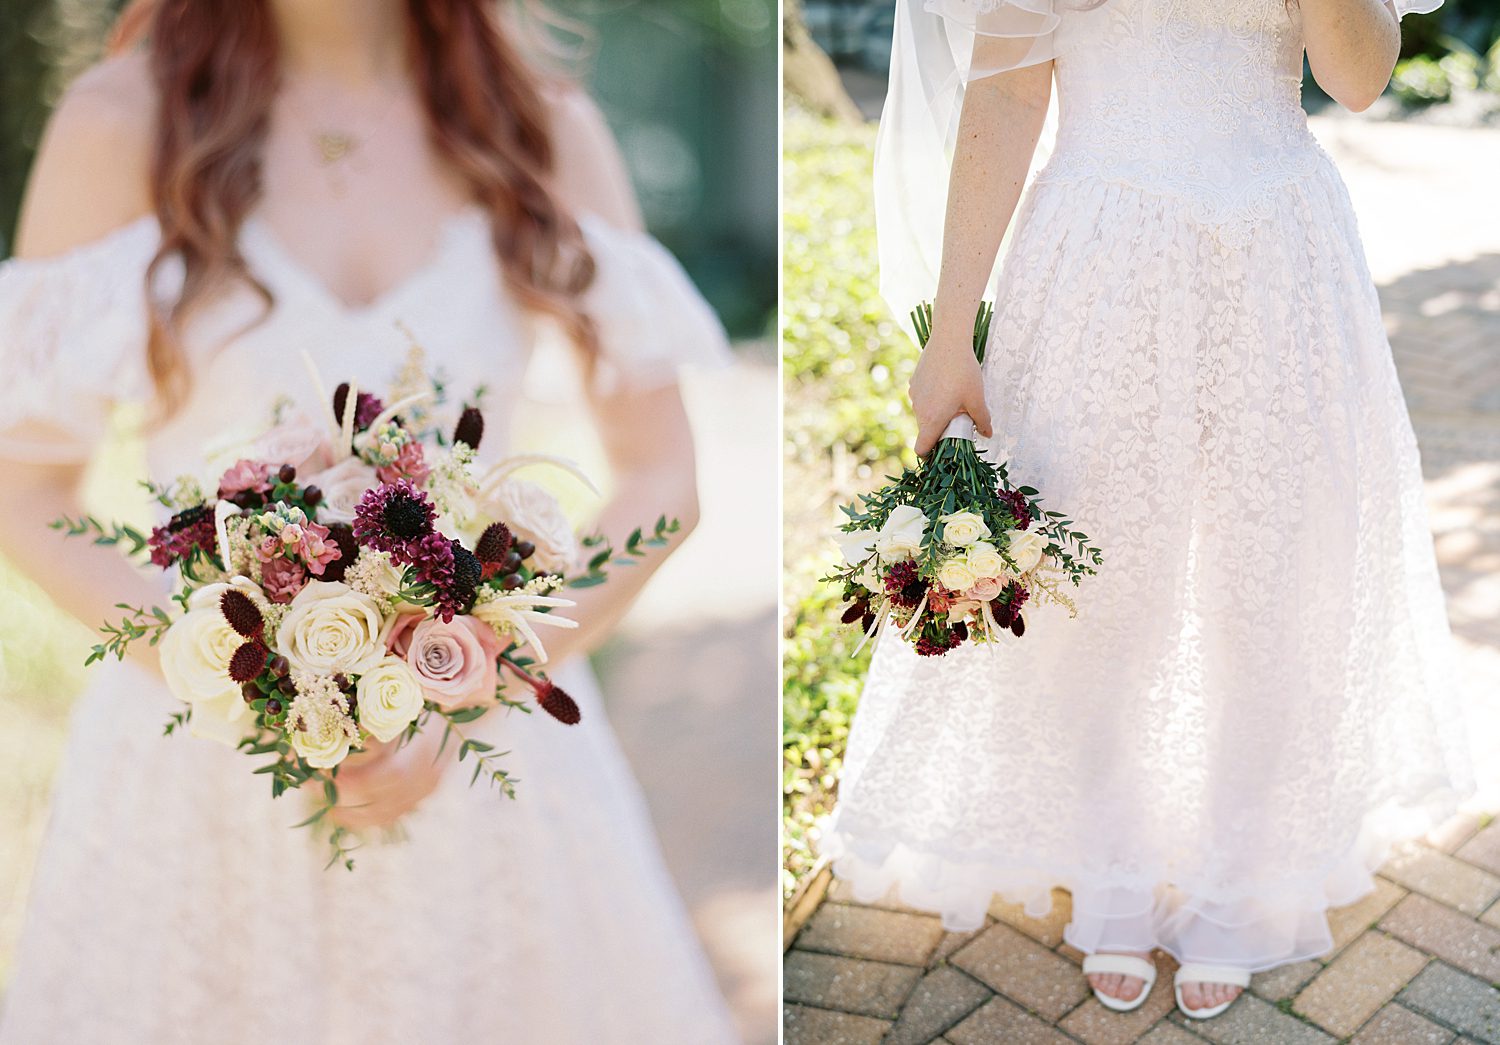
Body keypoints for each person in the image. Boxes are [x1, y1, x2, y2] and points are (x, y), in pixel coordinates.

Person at [0, 1, 738, 1041]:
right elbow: (24, 495)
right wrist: (248, 677)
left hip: (498, 778)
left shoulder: (541, 124)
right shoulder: (121, 122)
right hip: (199, 780)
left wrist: (476, 681)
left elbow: (664, 479)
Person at [824, 0, 1474, 1020]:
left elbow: (1359, 77)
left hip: (1280, 248)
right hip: (1100, 252)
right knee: (1099, 579)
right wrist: (952, 333)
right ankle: (1116, 864)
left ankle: (1239, 867)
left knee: (1273, 570)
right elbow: (1003, 88)